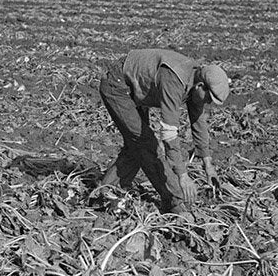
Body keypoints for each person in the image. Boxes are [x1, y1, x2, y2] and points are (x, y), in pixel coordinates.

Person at [98, 48, 229, 211]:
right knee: (146, 144)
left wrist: (208, 165)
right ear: (200, 86)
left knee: (136, 147)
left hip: (134, 90)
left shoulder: (195, 82)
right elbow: (168, 134)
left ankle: (104, 194)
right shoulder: (174, 80)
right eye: (209, 98)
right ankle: (173, 201)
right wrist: (182, 176)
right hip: (117, 86)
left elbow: (198, 123)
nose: (208, 102)